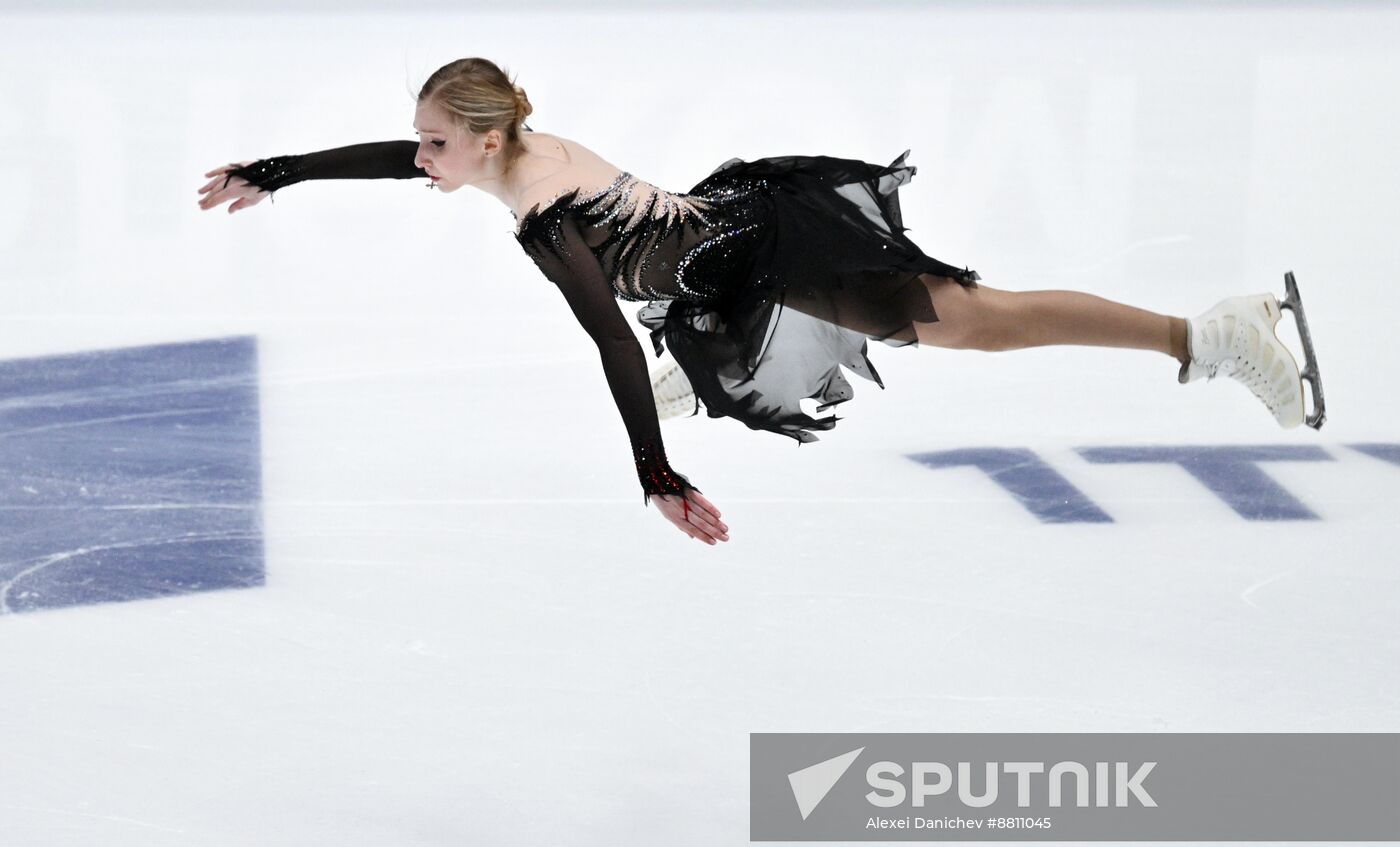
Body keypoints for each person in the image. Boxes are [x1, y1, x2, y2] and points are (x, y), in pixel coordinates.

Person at [197, 57, 1324, 548]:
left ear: (488, 140)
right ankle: (1207, 334)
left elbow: (604, 341)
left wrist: (652, 473)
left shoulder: (542, 211)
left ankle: (1212, 334)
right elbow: (393, 157)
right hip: (718, 257)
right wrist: (278, 170)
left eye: (437, 144)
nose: (420, 158)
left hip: (766, 255)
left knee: (983, 322)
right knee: (959, 330)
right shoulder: (500, 153)